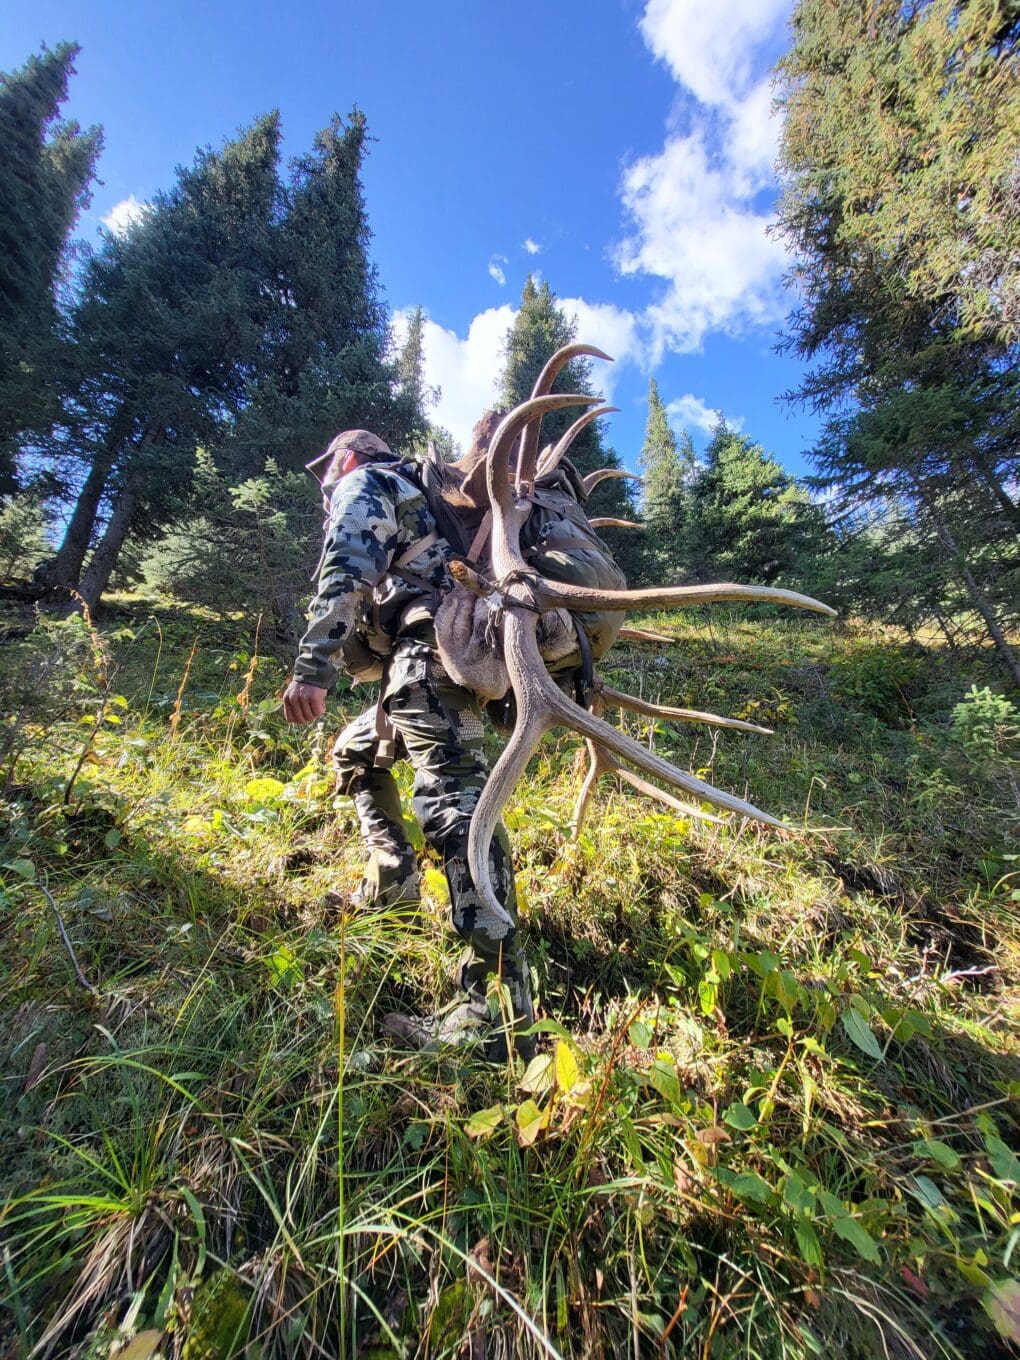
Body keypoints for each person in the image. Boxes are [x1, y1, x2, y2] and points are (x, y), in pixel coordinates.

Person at [282, 428, 535, 1062]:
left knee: (456, 808)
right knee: (355, 751)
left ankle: (498, 1010)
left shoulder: (366, 485)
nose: (325, 483)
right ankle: (392, 880)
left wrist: (311, 667)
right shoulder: (424, 496)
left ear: (345, 458)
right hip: (435, 661)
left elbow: (346, 567)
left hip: (429, 663)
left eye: (327, 469)